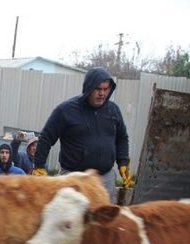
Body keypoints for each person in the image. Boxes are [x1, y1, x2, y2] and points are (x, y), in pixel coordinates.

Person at [32, 67, 133, 202]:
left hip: (105, 179)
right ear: (88, 88)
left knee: (104, 220)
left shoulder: (113, 110)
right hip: (73, 178)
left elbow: (122, 138)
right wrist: (39, 166)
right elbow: (46, 138)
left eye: (105, 89)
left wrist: (123, 161)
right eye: (98, 89)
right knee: (71, 219)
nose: (102, 93)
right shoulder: (66, 110)